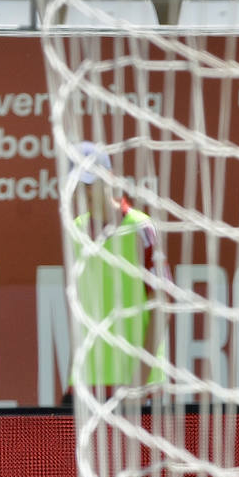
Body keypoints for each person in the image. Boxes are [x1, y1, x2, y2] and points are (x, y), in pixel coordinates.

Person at [68, 141, 168, 398]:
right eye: (79, 185)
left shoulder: (140, 227)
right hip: (88, 386)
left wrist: (139, 380)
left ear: (109, 178)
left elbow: (162, 304)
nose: (85, 192)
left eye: (90, 184)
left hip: (138, 386)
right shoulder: (75, 232)